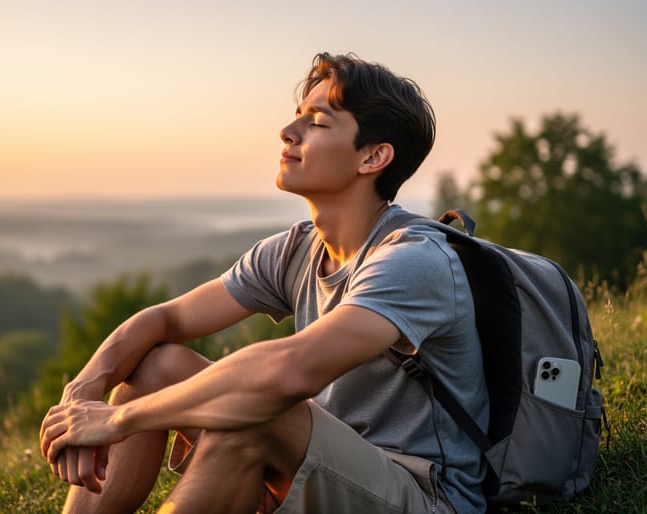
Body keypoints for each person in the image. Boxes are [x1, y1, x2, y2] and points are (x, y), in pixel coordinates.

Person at [39, 52, 489, 514]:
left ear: (373, 157)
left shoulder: (412, 259)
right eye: (298, 117)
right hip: (329, 465)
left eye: (318, 122)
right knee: (153, 367)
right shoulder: (297, 249)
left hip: (422, 493)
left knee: (257, 415)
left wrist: (118, 420)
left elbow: (290, 371)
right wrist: (83, 394)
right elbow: (166, 319)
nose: (288, 132)